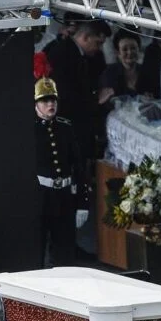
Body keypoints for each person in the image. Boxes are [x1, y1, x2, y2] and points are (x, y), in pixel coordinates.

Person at [33, 76, 83, 268]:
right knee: (36, 251)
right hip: (41, 196)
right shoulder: (29, 130)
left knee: (64, 252)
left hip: (64, 196)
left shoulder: (65, 128)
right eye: (45, 100)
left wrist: (82, 202)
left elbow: (77, 165)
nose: (50, 104)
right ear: (36, 104)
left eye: (53, 100)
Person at [45, 20, 110, 160]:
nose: (99, 49)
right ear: (86, 37)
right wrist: (95, 99)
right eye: (98, 43)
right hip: (66, 127)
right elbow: (64, 95)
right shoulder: (63, 54)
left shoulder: (74, 52)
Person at [99, 29, 143, 107]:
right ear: (118, 53)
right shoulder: (109, 73)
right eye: (124, 49)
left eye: (133, 48)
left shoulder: (146, 71)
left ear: (138, 49)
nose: (129, 52)